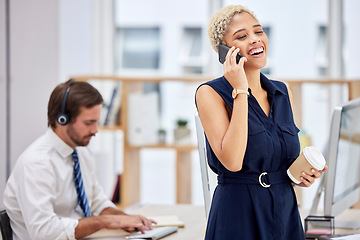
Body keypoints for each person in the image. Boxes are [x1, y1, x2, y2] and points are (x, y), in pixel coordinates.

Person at [195, 5, 327, 240]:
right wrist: (240, 90)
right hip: (238, 215)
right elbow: (233, 162)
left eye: (258, 31)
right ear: (225, 51)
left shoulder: (283, 91)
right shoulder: (210, 93)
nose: (255, 40)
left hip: (285, 213)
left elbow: (277, 156)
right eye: (242, 36)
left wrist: (301, 174)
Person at [3, 79, 156, 240]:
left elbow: (97, 203)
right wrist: (104, 221)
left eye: (96, 122)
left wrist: (125, 219)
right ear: (62, 120)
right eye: (89, 123)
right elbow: (44, 233)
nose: (95, 130)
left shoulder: (80, 153)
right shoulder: (37, 163)